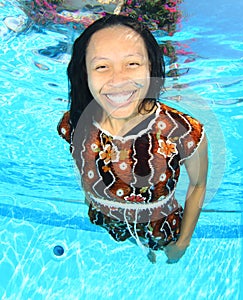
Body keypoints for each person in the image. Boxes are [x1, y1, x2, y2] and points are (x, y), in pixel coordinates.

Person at [57, 14, 208, 263]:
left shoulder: (183, 131)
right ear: (84, 72)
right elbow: (81, 162)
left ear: (151, 66)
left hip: (159, 224)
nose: (118, 80)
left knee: (156, 247)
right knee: (122, 236)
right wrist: (89, 197)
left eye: (132, 64)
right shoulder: (74, 123)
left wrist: (182, 243)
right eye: (102, 66)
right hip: (106, 216)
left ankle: (151, 250)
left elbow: (198, 185)